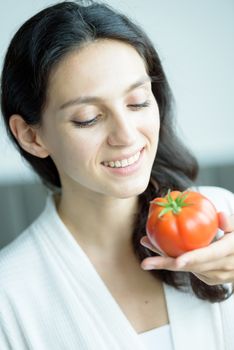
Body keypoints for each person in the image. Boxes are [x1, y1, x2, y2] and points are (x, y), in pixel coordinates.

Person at [0, 1, 234, 349]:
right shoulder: (10, 295)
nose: (126, 136)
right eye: (88, 118)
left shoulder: (222, 214)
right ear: (32, 136)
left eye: (138, 101)